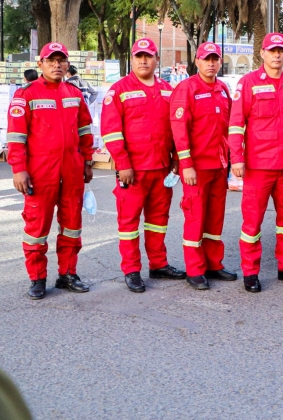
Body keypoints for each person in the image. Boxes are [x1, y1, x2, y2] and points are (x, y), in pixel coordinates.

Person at [7, 42, 94, 299]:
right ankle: (37, 277)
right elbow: (15, 136)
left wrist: (88, 162)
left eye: (61, 60)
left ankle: (68, 273)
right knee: (37, 227)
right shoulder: (26, 94)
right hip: (39, 172)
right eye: (51, 60)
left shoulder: (74, 94)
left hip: (72, 170)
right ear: (40, 64)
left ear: (67, 64)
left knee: (72, 225)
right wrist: (18, 169)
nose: (57, 65)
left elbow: (85, 130)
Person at [229, 32, 283, 293]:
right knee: (252, 224)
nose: (277, 55)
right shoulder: (248, 83)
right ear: (263, 54)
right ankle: (250, 272)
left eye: (281, 51)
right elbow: (235, 125)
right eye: (272, 51)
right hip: (258, 166)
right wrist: (237, 158)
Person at [101, 38, 185, 293]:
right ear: (133, 59)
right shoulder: (119, 90)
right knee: (129, 223)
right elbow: (111, 131)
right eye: (139, 56)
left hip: (161, 168)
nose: (143, 60)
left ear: (157, 59)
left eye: (148, 56)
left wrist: (176, 159)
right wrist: (123, 164)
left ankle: (158, 264)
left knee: (158, 220)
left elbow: (177, 128)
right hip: (133, 171)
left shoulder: (169, 89)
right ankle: (132, 270)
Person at [170, 42, 235, 290]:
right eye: (206, 59)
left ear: (219, 62)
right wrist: (186, 164)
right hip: (196, 168)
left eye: (215, 59)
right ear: (197, 61)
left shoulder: (222, 89)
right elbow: (179, 130)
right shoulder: (186, 89)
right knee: (195, 217)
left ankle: (213, 264)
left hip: (220, 166)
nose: (211, 63)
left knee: (215, 218)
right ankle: (195, 269)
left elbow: (230, 127)